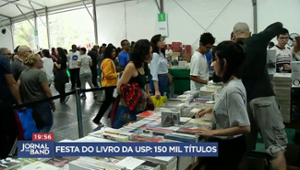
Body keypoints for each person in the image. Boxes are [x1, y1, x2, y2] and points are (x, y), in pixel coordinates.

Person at [232, 22, 287, 170]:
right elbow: (278, 25)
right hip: (263, 99)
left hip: (243, 103)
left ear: (234, 35)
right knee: (276, 149)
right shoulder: (257, 39)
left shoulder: (232, 49)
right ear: (249, 32)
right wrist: (262, 33)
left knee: (243, 150)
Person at [197, 41, 250, 170]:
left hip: (228, 146)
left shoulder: (232, 89)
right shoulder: (231, 83)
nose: (212, 64)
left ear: (224, 63)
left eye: (215, 60)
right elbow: (230, 107)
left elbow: (244, 127)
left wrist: (212, 133)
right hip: (226, 143)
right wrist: (212, 108)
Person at [114, 39, 153, 128]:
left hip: (140, 107)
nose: (150, 56)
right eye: (149, 53)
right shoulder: (131, 66)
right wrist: (140, 93)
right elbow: (119, 88)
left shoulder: (142, 65)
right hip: (128, 108)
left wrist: (148, 97)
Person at [18, 53, 55, 133]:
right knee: (47, 124)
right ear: (35, 63)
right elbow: (47, 90)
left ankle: (41, 143)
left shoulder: (23, 73)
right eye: (40, 60)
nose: (42, 61)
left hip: (29, 104)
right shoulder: (40, 73)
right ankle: (38, 142)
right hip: (41, 103)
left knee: (38, 125)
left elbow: (18, 86)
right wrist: (52, 103)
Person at [0, 54, 23, 159]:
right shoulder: (2, 60)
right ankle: (3, 158)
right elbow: (12, 83)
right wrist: (19, 103)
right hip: (3, 104)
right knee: (11, 131)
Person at [93, 45, 118, 125]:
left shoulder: (108, 60)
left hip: (110, 84)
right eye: (113, 51)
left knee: (111, 102)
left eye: (115, 51)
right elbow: (108, 74)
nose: (114, 53)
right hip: (109, 85)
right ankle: (99, 118)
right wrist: (118, 74)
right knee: (108, 102)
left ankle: (109, 116)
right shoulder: (108, 61)